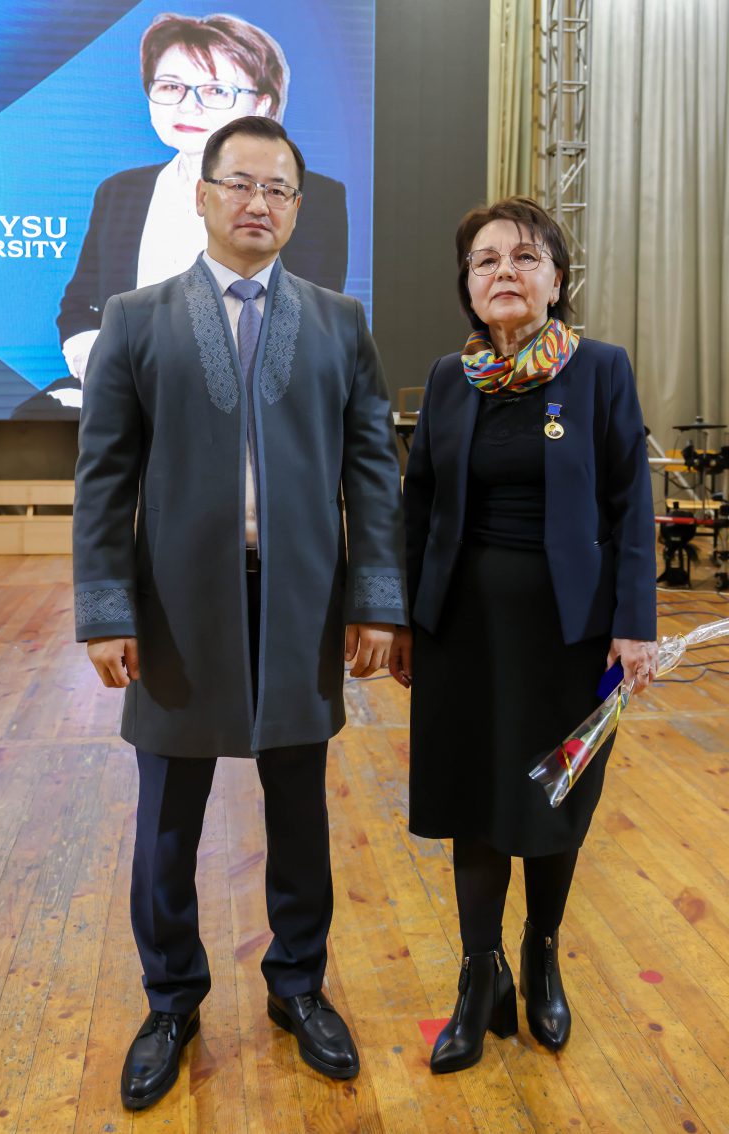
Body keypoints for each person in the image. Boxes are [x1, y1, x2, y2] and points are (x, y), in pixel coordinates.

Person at [72, 114, 406, 1109]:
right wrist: (104, 609)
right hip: (175, 609)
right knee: (167, 821)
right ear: (203, 194)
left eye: (279, 188)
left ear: (297, 207)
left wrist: (374, 599)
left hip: (301, 604)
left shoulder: (341, 322)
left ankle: (298, 985)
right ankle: (171, 999)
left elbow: (371, 473)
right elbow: (104, 477)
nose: (259, 202)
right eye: (241, 183)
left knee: (299, 809)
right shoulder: (135, 318)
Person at [389, 197, 657, 1072]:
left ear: (556, 278)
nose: (505, 271)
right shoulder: (448, 378)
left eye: (525, 257)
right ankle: (479, 974)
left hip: (570, 637)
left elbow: (632, 503)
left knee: (554, 798)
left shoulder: (600, 370)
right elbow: (420, 503)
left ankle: (541, 953)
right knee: (472, 796)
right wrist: (406, 618)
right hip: (460, 631)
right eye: (486, 260)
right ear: (467, 286)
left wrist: (635, 626)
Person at [57, 11, 348, 392]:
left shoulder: (315, 198)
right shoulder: (120, 191)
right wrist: (96, 359)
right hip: (124, 397)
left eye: (215, 91)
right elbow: (78, 306)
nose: (187, 106)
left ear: (262, 104)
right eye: (170, 86)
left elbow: (312, 329)